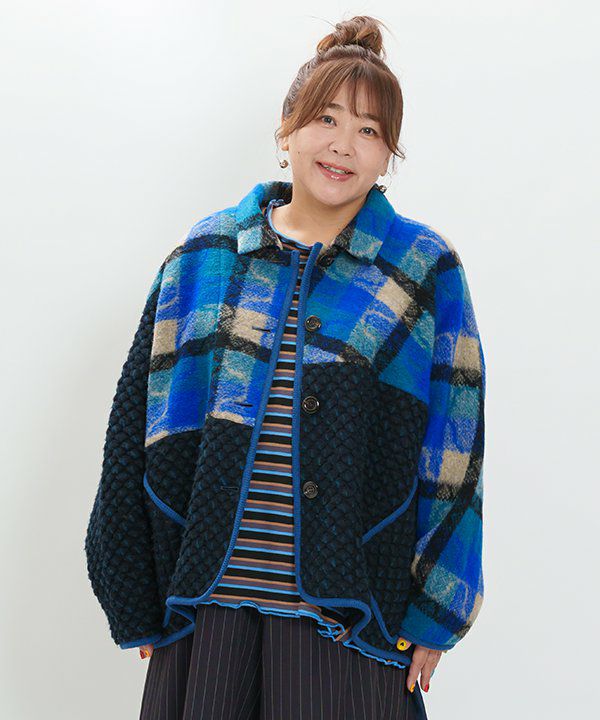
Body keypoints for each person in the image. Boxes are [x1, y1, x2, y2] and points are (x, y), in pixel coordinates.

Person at [85, 14, 486, 720]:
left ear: (388, 154)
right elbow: (135, 426)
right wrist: (132, 593)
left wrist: (437, 610)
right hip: (205, 614)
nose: (343, 145)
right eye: (327, 118)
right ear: (287, 129)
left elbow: (455, 448)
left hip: (351, 620)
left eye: (370, 130)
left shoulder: (423, 269)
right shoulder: (206, 255)